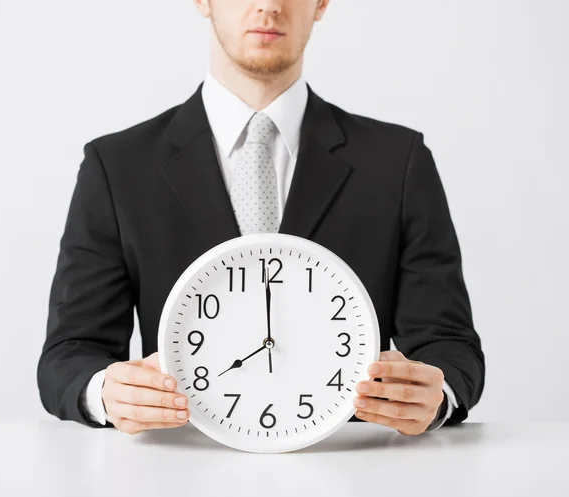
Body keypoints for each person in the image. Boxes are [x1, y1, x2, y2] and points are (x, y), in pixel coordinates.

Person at [38, 0, 485, 437]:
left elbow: (449, 343)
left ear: (321, 4)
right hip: (179, 466)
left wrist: (435, 394)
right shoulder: (118, 166)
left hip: (350, 466)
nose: (269, 5)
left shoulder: (397, 162)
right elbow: (71, 353)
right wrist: (107, 392)